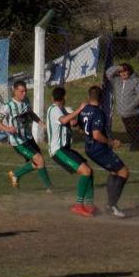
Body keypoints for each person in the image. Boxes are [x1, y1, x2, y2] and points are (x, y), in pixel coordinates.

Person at [79, 86, 129, 218]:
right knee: (123, 172)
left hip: (89, 148)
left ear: (89, 96)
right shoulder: (98, 112)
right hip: (98, 148)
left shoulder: (84, 110)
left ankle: (110, 204)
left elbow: (80, 127)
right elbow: (96, 135)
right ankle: (112, 205)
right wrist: (111, 142)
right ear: (101, 98)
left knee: (114, 171)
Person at [46, 87, 95, 218]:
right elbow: (63, 120)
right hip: (58, 151)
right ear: (64, 97)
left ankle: (89, 205)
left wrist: (75, 118)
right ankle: (78, 206)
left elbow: (72, 121)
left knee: (89, 171)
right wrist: (79, 109)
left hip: (65, 149)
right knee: (86, 171)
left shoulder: (65, 109)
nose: (57, 101)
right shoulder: (53, 110)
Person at [0, 81, 52, 192]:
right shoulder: (8, 106)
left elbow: (31, 113)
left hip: (28, 137)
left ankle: (15, 174)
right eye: (21, 91)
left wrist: (41, 124)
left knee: (38, 163)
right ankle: (50, 188)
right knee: (39, 160)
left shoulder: (26, 101)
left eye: (25, 91)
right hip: (18, 141)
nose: (24, 93)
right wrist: (8, 129)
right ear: (14, 91)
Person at [107, 63, 139, 151]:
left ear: (130, 71)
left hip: (133, 112)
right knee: (129, 130)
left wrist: (131, 106)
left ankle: (135, 147)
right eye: (121, 72)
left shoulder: (136, 81)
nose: (123, 73)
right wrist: (119, 67)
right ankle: (135, 145)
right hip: (123, 112)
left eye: (125, 71)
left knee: (134, 129)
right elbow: (108, 73)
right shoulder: (117, 81)